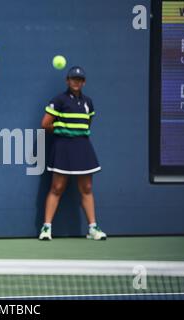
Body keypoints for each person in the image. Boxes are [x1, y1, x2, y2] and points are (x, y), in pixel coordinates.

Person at [39, 66, 107, 241]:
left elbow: (87, 123)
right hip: (63, 147)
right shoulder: (59, 100)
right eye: (73, 79)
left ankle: (93, 228)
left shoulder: (88, 102)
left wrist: (76, 132)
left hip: (83, 147)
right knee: (57, 187)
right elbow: (45, 124)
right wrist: (64, 128)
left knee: (87, 188)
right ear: (67, 81)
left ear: (83, 82)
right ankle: (46, 228)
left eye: (79, 79)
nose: (76, 82)